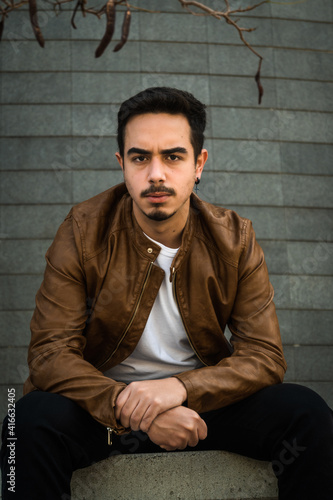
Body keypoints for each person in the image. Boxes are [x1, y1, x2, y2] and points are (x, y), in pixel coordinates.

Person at [1, 87, 332, 499]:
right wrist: (132, 408)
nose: (156, 173)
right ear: (122, 165)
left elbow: (265, 357)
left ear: (199, 164)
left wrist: (181, 390)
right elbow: (50, 353)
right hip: (102, 414)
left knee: (308, 413)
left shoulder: (235, 241)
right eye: (140, 157)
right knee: (22, 420)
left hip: (202, 412)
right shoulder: (83, 231)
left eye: (173, 156)